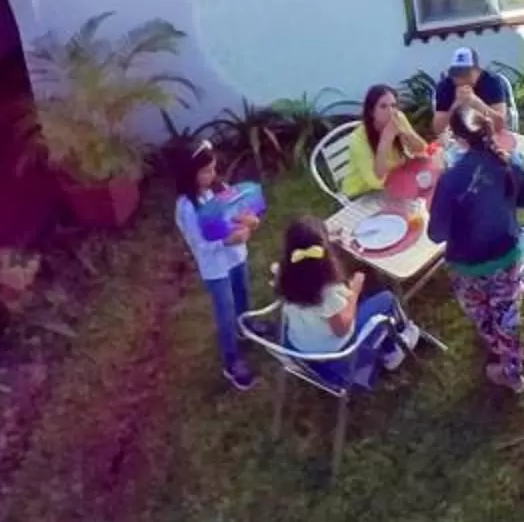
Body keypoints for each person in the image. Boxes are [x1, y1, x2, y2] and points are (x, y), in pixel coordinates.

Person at [427, 104, 524, 388]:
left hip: (468, 266)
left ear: (459, 139)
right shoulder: (514, 161)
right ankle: (512, 369)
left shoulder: (450, 180)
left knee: (480, 310)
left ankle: (497, 350)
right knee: (507, 309)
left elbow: (436, 234)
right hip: (507, 254)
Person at [271, 217, 411, 388]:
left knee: (364, 302)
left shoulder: (284, 277)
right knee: (386, 299)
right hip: (338, 357)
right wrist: (354, 291)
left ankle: (389, 344)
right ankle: (395, 348)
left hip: (300, 351)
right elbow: (341, 328)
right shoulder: (327, 290)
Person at [174, 138, 261, 390]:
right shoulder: (187, 208)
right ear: (189, 174)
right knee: (225, 310)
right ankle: (231, 360)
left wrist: (248, 220)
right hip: (215, 268)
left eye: (212, 168)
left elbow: (235, 212)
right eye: (205, 171)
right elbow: (200, 244)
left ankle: (245, 326)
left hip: (235, 257)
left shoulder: (219, 189)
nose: (212, 174)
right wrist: (228, 240)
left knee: (242, 291)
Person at [343, 82, 430, 196]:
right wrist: (385, 141)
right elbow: (377, 181)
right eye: (383, 106)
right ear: (371, 112)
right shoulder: (358, 140)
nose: (390, 112)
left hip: (394, 180)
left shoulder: (398, 117)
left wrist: (407, 133)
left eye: (393, 106)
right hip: (363, 193)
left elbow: (421, 149)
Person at [431, 48, 515, 141]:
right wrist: (456, 104)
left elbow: (500, 125)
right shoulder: (445, 86)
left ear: (477, 70)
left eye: (466, 75)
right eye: (456, 75)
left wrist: (475, 102)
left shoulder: (492, 82)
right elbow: (439, 130)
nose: (460, 80)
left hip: (490, 136)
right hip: (458, 140)